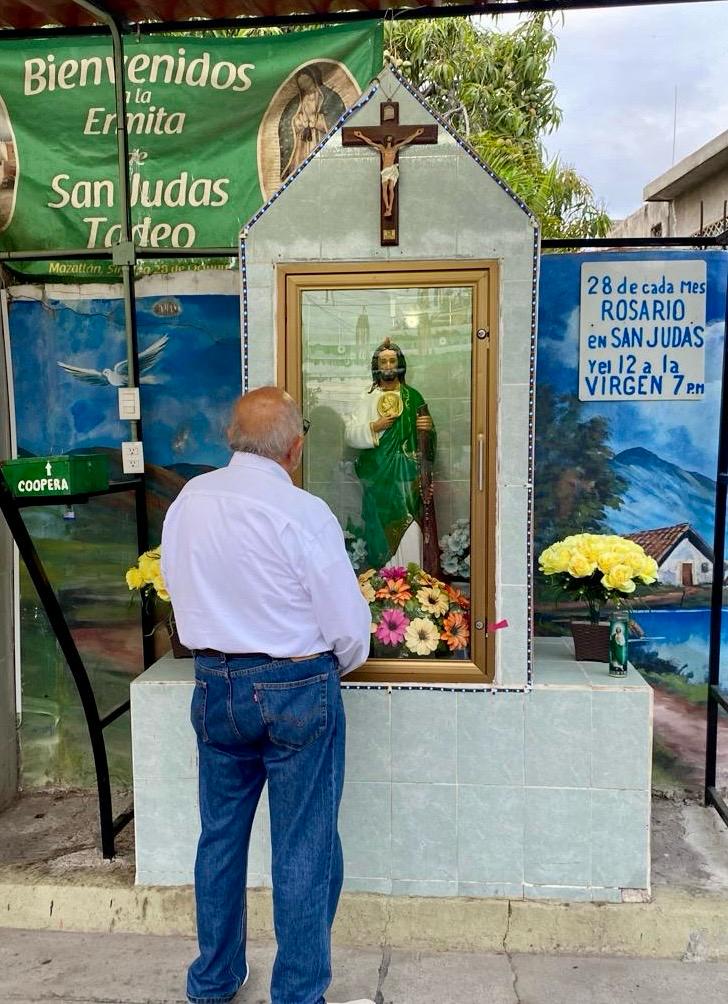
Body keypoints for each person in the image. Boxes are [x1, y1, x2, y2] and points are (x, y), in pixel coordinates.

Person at [161, 387, 373, 1004]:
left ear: (231, 438)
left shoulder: (189, 500)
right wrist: (330, 667)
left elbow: (175, 584)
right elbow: (348, 629)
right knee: (304, 843)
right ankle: (298, 993)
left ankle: (213, 980)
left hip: (215, 684)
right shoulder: (303, 512)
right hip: (295, 687)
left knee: (220, 838)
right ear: (295, 448)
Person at [344, 338, 435, 571]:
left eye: (392, 361)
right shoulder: (366, 398)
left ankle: (412, 582)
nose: (387, 366)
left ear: (399, 365)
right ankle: (384, 582)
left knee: (411, 529)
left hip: (407, 478)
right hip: (378, 479)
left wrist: (427, 429)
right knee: (379, 530)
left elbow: (427, 441)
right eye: (383, 362)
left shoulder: (413, 397)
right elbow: (350, 435)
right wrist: (375, 427)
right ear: (376, 367)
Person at [279, 66, 345, 182]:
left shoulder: (328, 97)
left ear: (314, 79)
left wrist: (318, 121)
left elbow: (336, 117)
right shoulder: (298, 101)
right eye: (301, 84)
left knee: (320, 168)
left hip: (321, 138)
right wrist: (299, 122)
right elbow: (287, 121)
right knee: (302, 168)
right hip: (302, 142)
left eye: (306, 81)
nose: (305, 86)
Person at [351, 128, 424, 216]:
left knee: (391, 189)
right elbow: (371, 142)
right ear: (386, 140)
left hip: (392, 169)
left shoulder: (395, 148)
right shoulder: (382, 148)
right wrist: (361, 136)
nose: (389, 140)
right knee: (385, 189)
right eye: (388, 138)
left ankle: (390, 208)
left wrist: (416, 134)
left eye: (390, 139)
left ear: (392, 141)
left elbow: (406, 141)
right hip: (385, 171)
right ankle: (387, 207)